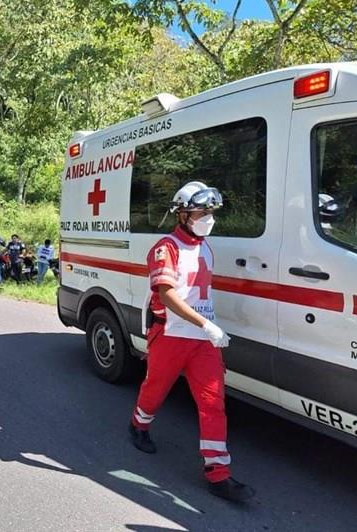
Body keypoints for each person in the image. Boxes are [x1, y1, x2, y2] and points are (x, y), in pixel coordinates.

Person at [129, 181, 254, 502]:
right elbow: (167, 294)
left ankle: (218, 473)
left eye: (211, 211)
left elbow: (201, 294)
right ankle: (139, 425)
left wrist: (209, 327)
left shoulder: (205, 247)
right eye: (201, 212)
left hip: (202, 340)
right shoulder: (165, 248)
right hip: (171, 334)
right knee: (155, 389)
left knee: (213, 403)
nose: (208, 217)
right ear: (183, 214)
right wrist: (206, 324)